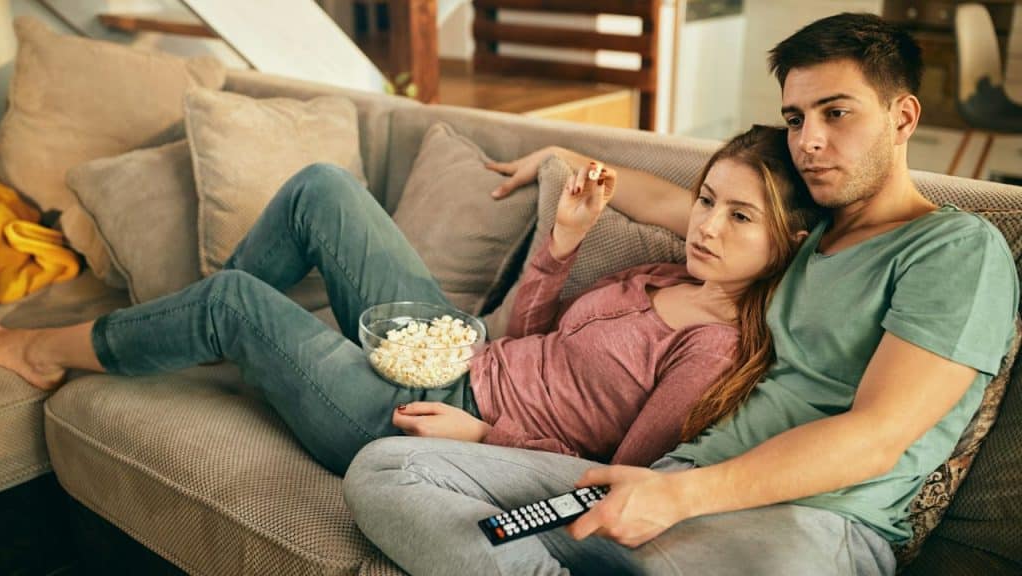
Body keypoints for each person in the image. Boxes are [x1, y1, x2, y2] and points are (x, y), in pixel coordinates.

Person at [341, 12, 1019, 576]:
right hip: (662, 486)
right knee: (387, 472)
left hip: (804, 525)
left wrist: (679, 496)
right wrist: (556, 157)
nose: (809, 141)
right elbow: (668, 200)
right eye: (795, 117)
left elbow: (875, 438)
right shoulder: (797, 237)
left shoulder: (954, 250)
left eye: (836, 113)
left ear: (903, 116)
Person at [0, 124, 820, 475]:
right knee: (323, 187)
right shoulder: (670, 274)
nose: (705, 226)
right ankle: (197, 333)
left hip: (428, 419)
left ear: (786, 241)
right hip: (457, 348)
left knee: (234, 302)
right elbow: (527, 336)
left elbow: (618, 478)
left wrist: (481, 434)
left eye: (738, 216)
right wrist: (561, 245)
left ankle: (43, 350)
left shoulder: (711, 351)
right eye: (706, 200)